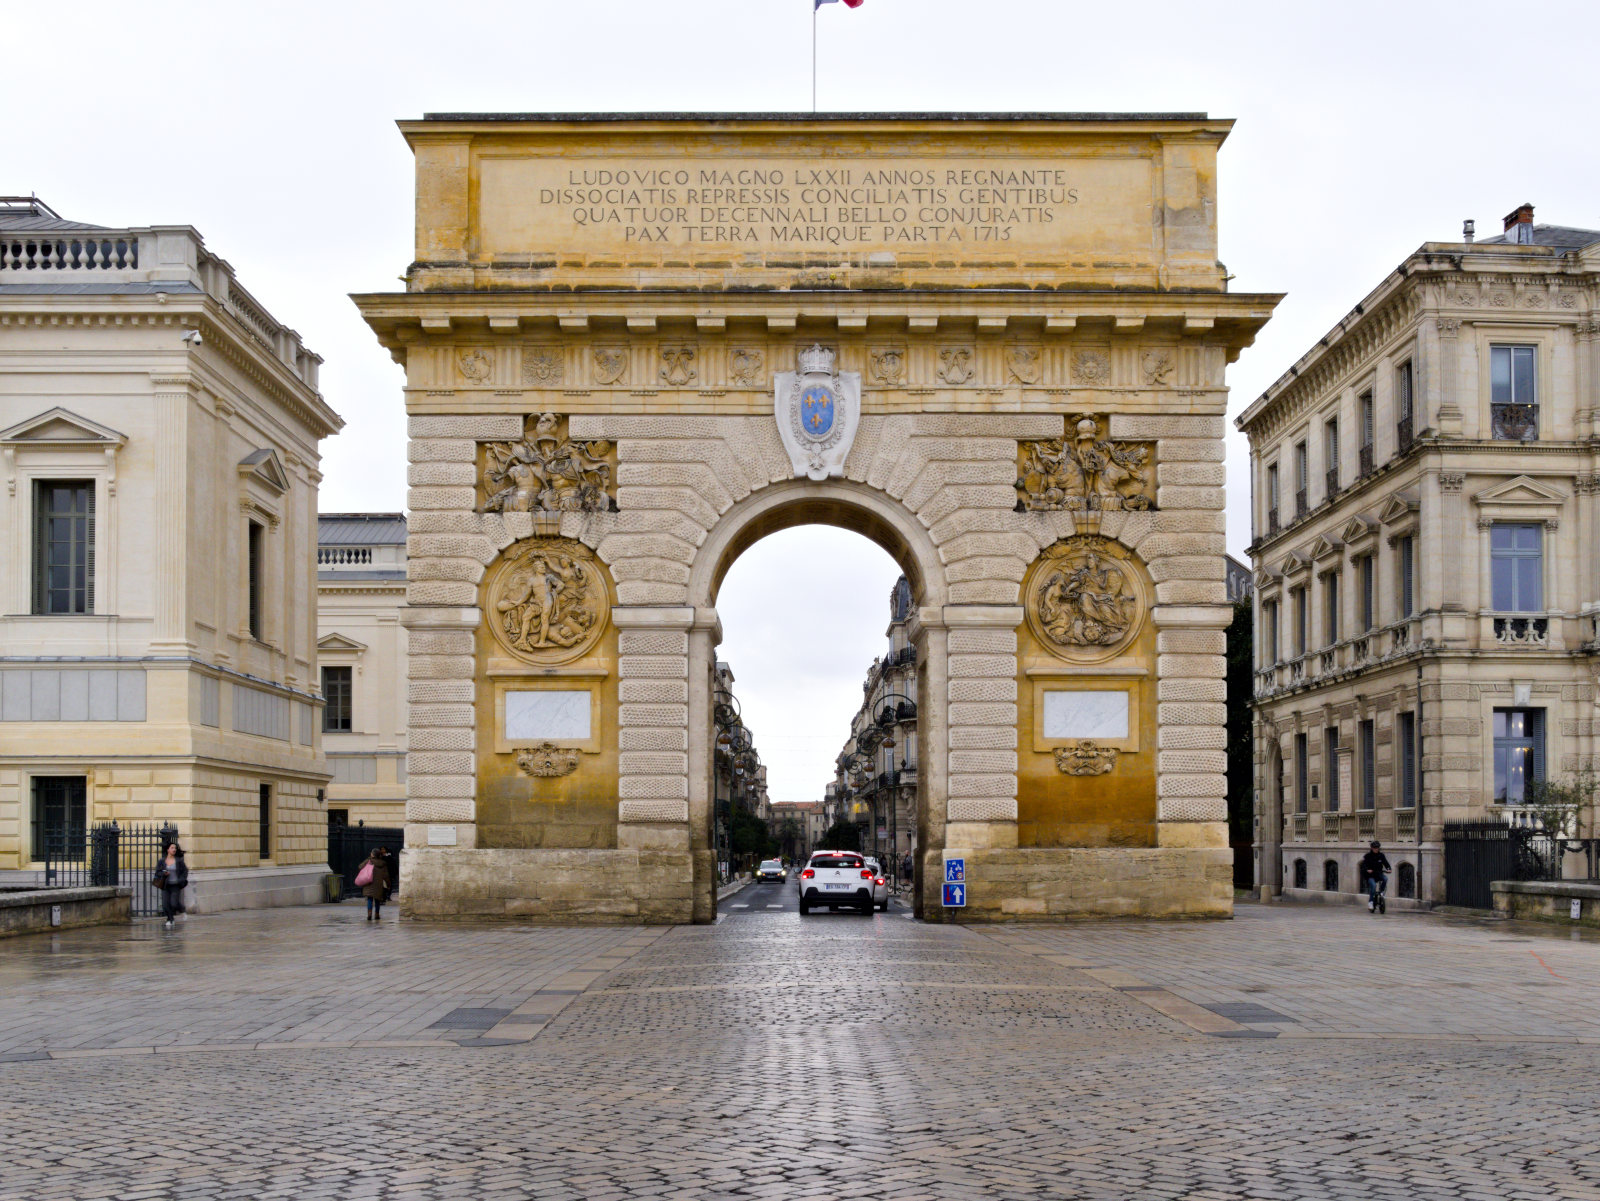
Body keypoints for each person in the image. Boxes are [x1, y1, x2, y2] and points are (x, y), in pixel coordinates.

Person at [154, 842, 189, 929]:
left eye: (175, 848)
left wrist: (181, 879)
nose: (174, 849)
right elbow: (157, 872)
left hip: (175, 885)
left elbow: (185, 871)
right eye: (172, 848)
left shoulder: (179, 861)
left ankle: (182, 909)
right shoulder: (162, 861)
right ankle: (170, 919)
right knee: (165, 905)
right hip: (165, 885)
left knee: (174, 903)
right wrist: (163, 873)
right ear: (168, 850)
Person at [1359, 840, 1392, 914]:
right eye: (1375, 848)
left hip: (1378, 873)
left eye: (1377, 848)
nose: (1376, 849)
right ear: (1371, 848)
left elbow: (1386, 863)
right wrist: (1367, 870)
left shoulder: (1381, 855)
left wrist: (1389, 869)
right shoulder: (1367, 856)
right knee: (1373, 886)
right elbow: (1364, 865)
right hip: (1370, 875)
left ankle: (1382, 892)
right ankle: (1370, 902)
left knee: (1385, 878)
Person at [361, 847, 392, 921]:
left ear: (372, 854)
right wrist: (388, 884)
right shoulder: (382, 863)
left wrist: (368, 860)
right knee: (377, 899)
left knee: (370, 899)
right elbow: (386, 875)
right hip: (378, 884)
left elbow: (360, 866)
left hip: (369, 882)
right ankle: (377, 914)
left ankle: (369, 914)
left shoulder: (368, 861)